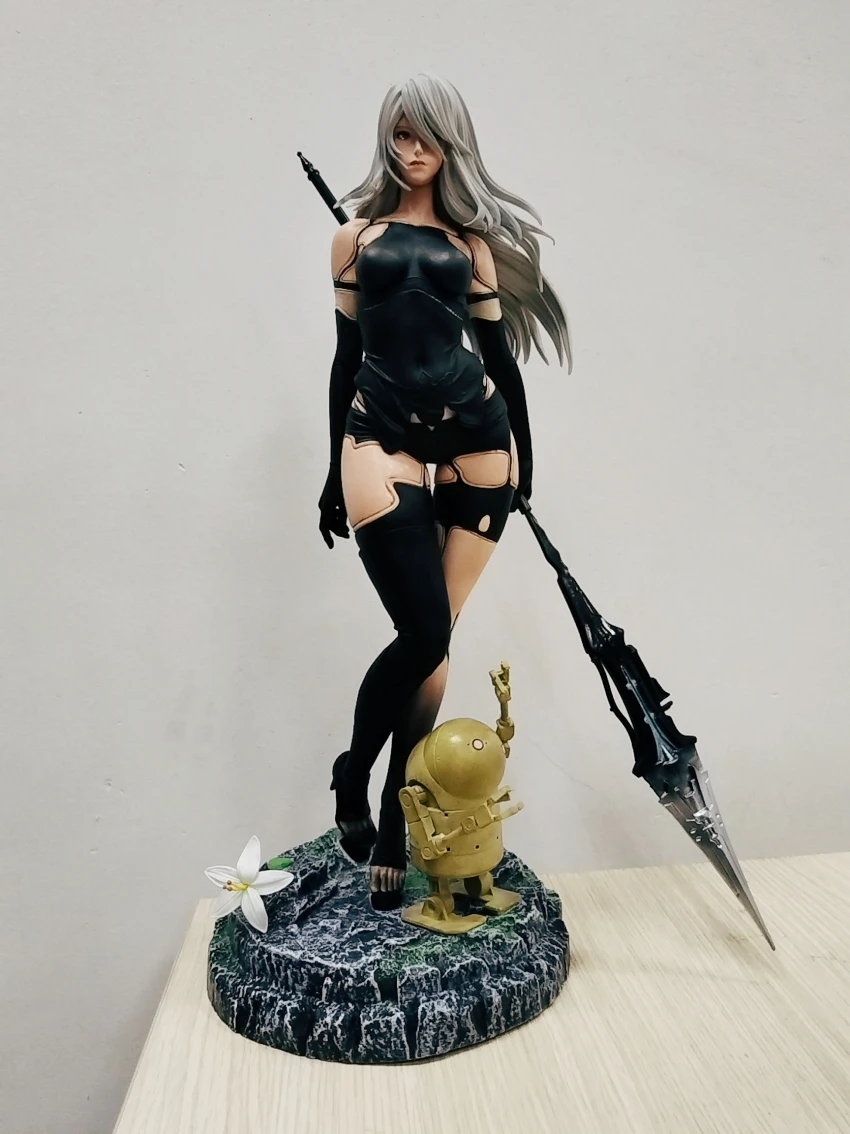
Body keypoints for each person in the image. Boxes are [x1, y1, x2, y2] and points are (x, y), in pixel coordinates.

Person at [319, 73, 571, 910]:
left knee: (436, 639)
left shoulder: (471, 247)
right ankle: (354, 774)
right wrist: (329, 470)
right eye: (400, 133)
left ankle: (398, 821)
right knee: (422, 629)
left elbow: (502, 363)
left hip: (478, 436)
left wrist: (526, 457)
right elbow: (345, 358)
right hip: (379, 433)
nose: (413, 148)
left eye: (427, 134)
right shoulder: (354, 237)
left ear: (452, 142)